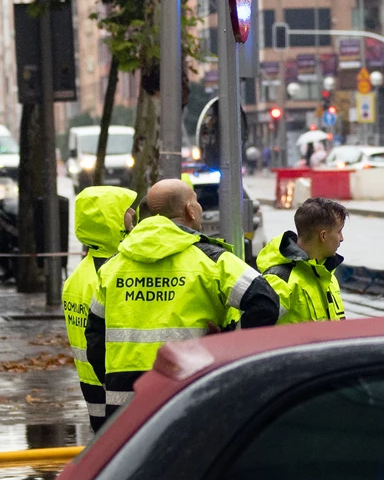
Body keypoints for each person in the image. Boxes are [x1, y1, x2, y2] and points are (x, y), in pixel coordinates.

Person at [86, 178, 281, 420]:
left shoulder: (112, 267)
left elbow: (94, 336)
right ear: (190, 210)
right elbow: (266, 302)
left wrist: (112, 380)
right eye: (196, 202)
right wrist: (229, 343)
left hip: (125, 400)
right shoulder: (211, 260)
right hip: (189, 393)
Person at [63, 185, 137, 432]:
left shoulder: (80, 274)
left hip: (92, 383)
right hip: (114, 385)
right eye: (126, 211)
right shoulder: (111, 274)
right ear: (111, 219)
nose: (133, 215)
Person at [253, 195, 348, 323]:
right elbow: (256, 333)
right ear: (323, 236)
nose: (341, 238)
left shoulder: (327, 275)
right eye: (339, 232)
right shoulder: (280, 282)